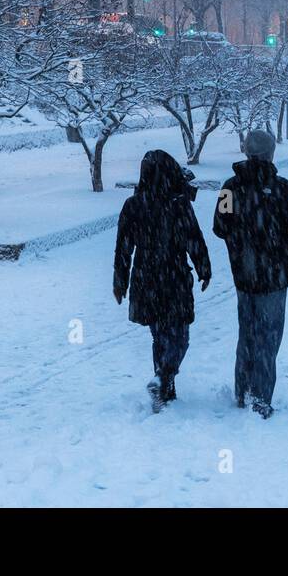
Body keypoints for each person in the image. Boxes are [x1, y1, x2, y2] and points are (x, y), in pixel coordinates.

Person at [212, 130, 288, 418]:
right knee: (268, 338)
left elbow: (220, 227)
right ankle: (261, 398)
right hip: (274, 277)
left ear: (246, 153)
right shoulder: (282, 189)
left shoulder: (230, 188)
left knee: (247, 335)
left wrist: (242, 238)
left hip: (243, 276)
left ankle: (242, 390)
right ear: (270, 154)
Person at [114, 149, 212, 412]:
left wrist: (120, 281)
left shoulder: (134, 205)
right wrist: (204, 268)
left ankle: (165, 389)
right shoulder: (178, 203)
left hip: (146, 280)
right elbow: (194, 238)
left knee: (159, 337)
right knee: (179, 337)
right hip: (173, 278)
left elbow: (123, 248)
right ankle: (164, 380)